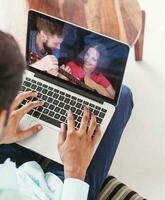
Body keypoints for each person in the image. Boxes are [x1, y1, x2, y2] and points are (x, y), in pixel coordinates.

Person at [0, 31, 133, 200]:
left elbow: (108, 91)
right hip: (59, 191)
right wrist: (75, 173)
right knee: (124, 97)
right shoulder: (73, 65)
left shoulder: (98, 77)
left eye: (94, 59)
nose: (89, 60)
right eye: (88, 56)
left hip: (10, 163)